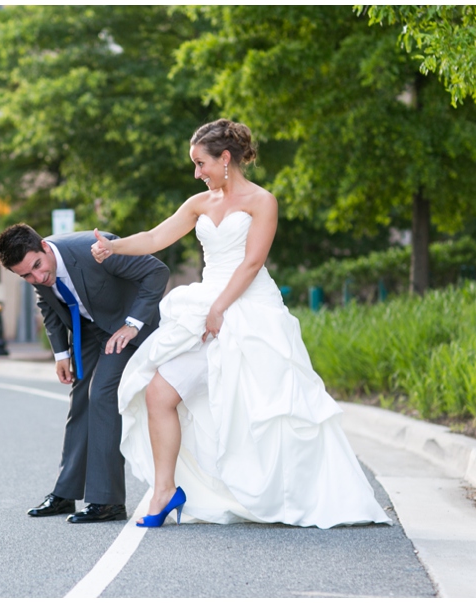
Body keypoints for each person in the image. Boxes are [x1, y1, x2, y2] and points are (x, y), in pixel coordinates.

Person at [90, 118, 392, 529]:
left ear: (225, 158)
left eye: (201, 163)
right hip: (203, 306)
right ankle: (165, 492)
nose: (197, 173)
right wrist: (114, 246)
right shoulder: (200, 203)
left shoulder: (262, 201)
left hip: (249, 309)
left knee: (262, 409)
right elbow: (156, 237)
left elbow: (252, 262)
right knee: (159, 393)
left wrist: (221, 309)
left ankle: (288, 493)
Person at [0, 224, 169, 523]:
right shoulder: (35, 268)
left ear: (45, 247)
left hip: (125, 326)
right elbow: (48, 302)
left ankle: (108, 501)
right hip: (89, 330)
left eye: (37, 266)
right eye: (27, 276)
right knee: (80, 400)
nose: (37, 278)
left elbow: (157, 272)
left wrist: (132, 324)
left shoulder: (96, 249)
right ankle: (65, 494)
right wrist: (61, 354)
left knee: (100, 395)